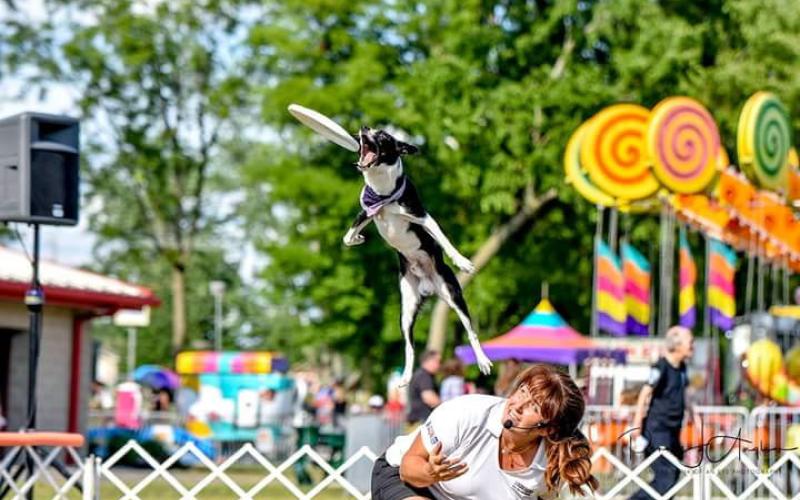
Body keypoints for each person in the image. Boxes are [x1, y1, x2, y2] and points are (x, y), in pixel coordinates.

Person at [371, 363, 599, 499]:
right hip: (400, 477)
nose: (517, 404)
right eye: (522, 391)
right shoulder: (466, 413)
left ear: (549, 429)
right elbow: (408, 468)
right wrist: (430, 472)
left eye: (534, 406)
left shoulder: (552, 461)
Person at [629, 326, 698, 499]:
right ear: (677, 345)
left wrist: (694, 417)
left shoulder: (682, 367)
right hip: (657, 430)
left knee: (673, 476)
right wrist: (636, 425)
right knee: (665, 476)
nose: (693, 346)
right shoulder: (660, 366)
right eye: (690, 342)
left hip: (674, 431)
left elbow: (685, 394)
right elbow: (645, 393)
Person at [407, 350, 441, 426]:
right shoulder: (424, 376)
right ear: (429, 361)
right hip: (420, 422)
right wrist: (446, 408)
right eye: (438, 361)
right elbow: (429, 397)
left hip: (419, 421)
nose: (439, 365)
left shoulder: (421, 374)